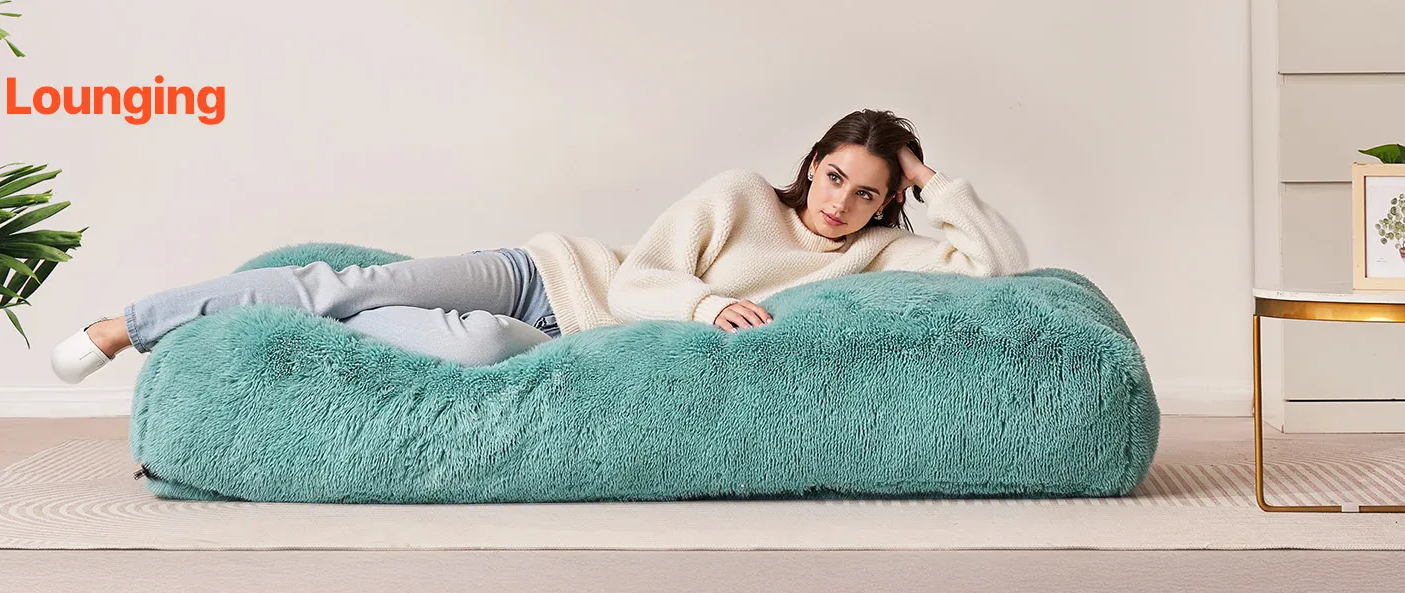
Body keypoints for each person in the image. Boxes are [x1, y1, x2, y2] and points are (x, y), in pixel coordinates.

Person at [50, 108, 1027, 383]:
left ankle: (266, 325)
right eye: (834, 175)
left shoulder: (870, 253)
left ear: (888, 200)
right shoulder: (739, 195)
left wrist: (932, 178)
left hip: (570, 341)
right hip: (546, 274)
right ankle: (127, 325)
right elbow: (642, 278)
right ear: (810, 164)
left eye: (870, 191)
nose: (842, 202)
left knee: (477, 350)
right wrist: (704, 306)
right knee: (345, 283)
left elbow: (996, 266)